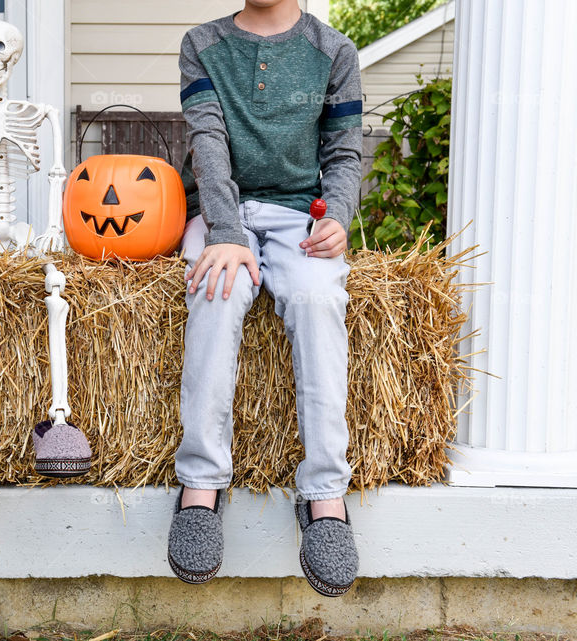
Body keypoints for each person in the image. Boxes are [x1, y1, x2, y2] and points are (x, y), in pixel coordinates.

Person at [165, 0, 363, 597]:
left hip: (296, 215)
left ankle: (325, 495)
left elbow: (344, 153)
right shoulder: (201, 43)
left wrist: (341, 218)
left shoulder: (334, 52)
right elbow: (209, 144)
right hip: (220, 211)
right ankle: (201, 483)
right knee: (217, 291)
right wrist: (225, 234)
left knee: (316, 300)